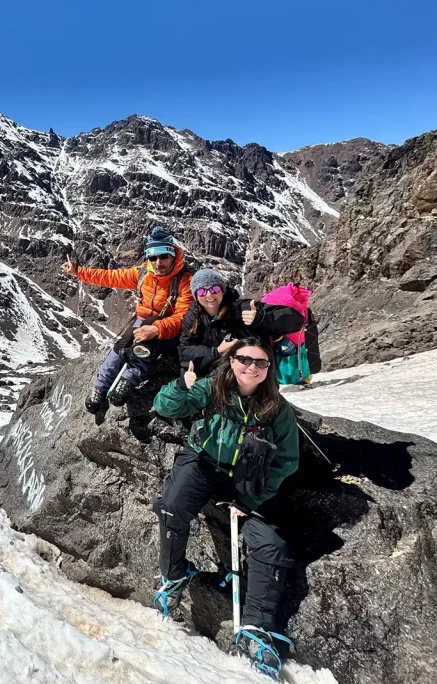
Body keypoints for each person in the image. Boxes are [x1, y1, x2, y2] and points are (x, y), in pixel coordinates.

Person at [151, 336, 300, 677]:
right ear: (231, 361)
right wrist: (181, 385)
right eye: (244, 359)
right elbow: (165, 407)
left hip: (247, 480)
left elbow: (286, 461)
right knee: (172, 507)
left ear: (269, 368)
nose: (251, 367)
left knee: (270, 545)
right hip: (202, 463)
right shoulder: (211, 388)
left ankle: (256, 628)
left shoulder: (277, 409)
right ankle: (173, 576)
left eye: (260, 362)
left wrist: (251, 500)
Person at [63, 226, 192, 412]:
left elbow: (182, 317)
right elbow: (111, 277)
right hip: (143, 322)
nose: (158, 263)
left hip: (169, 330)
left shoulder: (184, 281)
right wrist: (78, 272)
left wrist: (157, 329)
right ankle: (100, 386)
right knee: (121, 345)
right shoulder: (143, 273)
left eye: (164, 256)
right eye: (153, 257)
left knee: (145, 347)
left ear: (173, 255)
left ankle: (128, 380)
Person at [179, 268, 307, 377]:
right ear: (196, 296)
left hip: (254, 378)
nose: (209, 295)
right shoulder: (192, 318)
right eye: (201, 291)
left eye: (215, 289)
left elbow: (296, 320)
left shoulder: (242, 309)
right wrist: (216, 351)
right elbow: (184, 353)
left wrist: (261, 318)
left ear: (222, 290)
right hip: (215, 378)